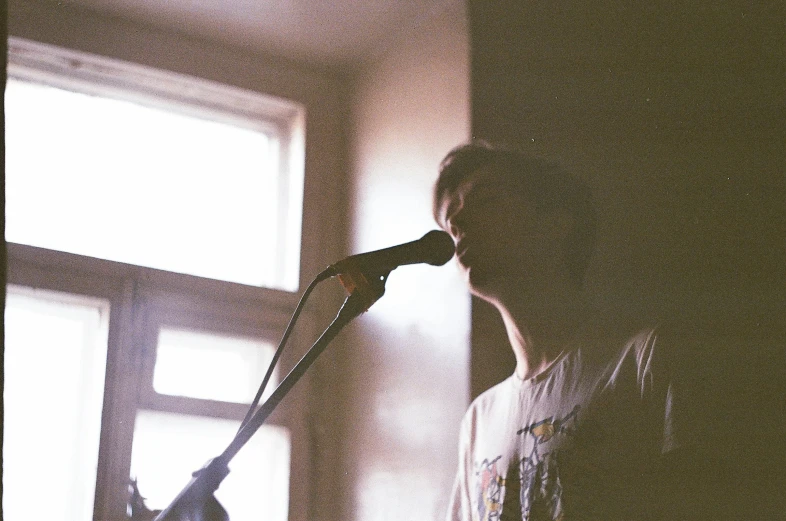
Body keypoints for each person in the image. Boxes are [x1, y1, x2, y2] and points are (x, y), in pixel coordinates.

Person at [435, 142, 679, 521]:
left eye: (486, 200)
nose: (458, 223)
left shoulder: (645, 360)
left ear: (557, 223)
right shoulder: (479, 420)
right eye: (451, 220)